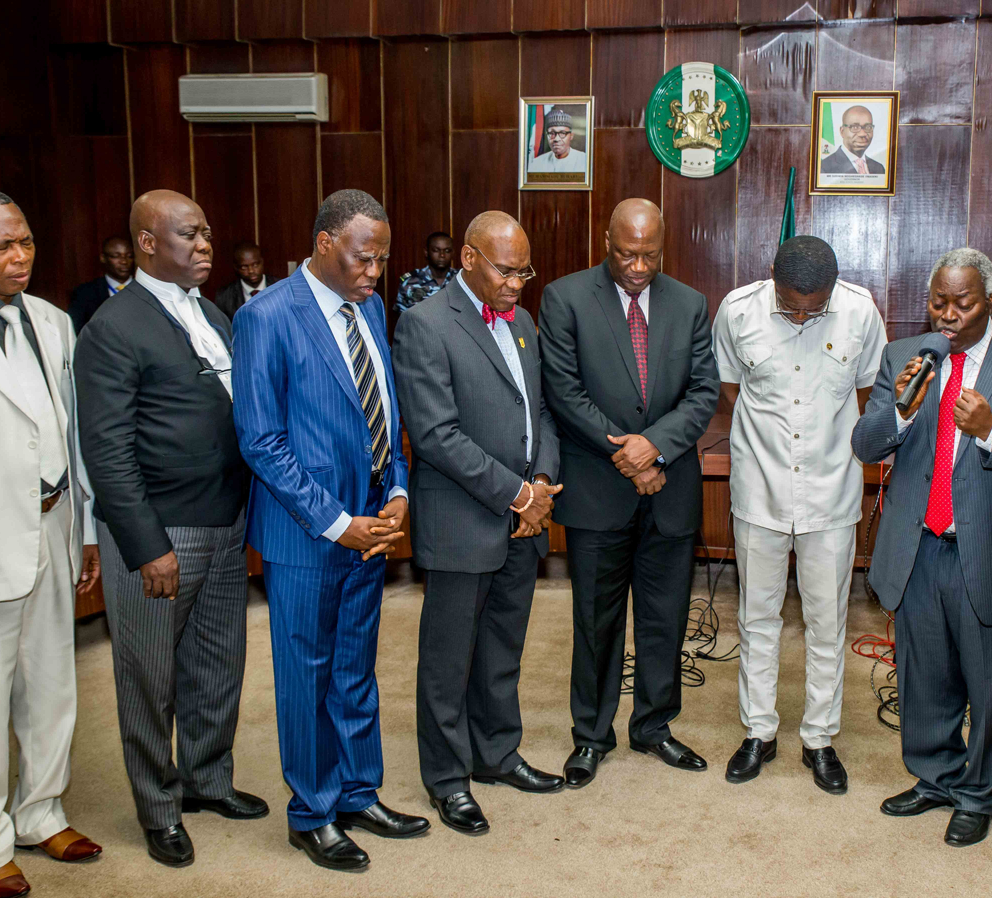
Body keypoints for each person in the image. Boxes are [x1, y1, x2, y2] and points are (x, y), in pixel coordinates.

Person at [851, 247, 992, 847]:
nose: (948, 315)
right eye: (938, 302)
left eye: (963, 303)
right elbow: (866, 446)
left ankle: (978, 792)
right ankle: (935, 777)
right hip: (919, 547)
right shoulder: (905, 356)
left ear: (991, 299)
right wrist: (901, 412)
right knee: (925, 676)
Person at [233, 189, 428, 870]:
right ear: (323, 243)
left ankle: (356, 790)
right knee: (306, 676)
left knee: (355, 669)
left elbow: (385, 411)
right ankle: (310, 811)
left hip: (372, 525)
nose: (375, 272)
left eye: (381, 259)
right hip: (307, 535)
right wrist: (337, 522)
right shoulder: (266, 317)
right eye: (363, 257)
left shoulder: (370, 307)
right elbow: (261, 441)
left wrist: (398, 491)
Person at [75, 190, 265, 869]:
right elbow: (107, 448)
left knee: (218, 664)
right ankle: (158, 808)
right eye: (190, 233)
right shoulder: (113, 325)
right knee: (149, 677)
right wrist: (145, 543)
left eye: (208, 230)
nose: (206, 243)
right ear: (148, 243)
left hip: (223, 522)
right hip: (162, 534)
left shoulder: (211, 313)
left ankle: (207, 782)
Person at [0, 187, 102, 898]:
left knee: (53, 685)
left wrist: (86, 529)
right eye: (2, 245)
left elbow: (70, 435)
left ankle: (41, 811)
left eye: (26, 241)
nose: (20, 257)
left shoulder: (52, 322)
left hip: (54, 525)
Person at [539, 198, 720, 788]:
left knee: (666, 619)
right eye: (626, 253)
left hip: (669, 488)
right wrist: (629, 455)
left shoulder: (690, 304)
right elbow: (564, 394)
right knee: (596, 620)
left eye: (649, 254)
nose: (638, 266)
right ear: (605, 241)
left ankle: (654, 726)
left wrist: (655, 448)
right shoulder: (565, 298)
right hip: (597, 490)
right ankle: (591, 735)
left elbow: (702, 391)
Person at [394, 211, 565, 836]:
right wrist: (518, 493)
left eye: (525, 270)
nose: (518, 282)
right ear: (467, 258)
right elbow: (436, 435)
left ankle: (496, 753)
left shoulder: (522, 323)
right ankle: (447, 779)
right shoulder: (424, 325)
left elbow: (540, 413)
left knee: (501, 650)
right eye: (506, 269)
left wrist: (541, 484)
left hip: (523, 518)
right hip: (463, 520)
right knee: (448, 661)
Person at [712, 236, 886, 792]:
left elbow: (868, 396)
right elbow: (731, 390)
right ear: (772, 279)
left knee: (827, 622)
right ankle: (759, 732)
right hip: (759, 489)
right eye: (792, 305)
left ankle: (820, 739)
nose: (804, 315)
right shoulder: (738, 310)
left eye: (816, 306)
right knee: (757, 617)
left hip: (831, 493)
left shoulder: (860, 311)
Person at [67, 235, 133, 332]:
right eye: (116, 256)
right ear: (103, 258)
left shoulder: (147, 289)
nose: (124, 261)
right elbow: (77, 330)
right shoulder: (84, 293)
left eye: (129, 256)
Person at [395, 231, 457, 315]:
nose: (442, 255)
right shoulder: (409, 281)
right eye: (436, 250)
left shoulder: (462, 280)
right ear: (426, 252)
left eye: (447, 250)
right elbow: (401, 320)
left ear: (452, 253)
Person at [214, 241, 274, 320]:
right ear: (236, 268)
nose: (251, 271)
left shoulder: (281, 288)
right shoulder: (224, 297)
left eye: (255, 265)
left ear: (262, 262)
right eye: (244, 267)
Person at [820, 106, 885, 176]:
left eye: (868, 127)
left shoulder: (879, 168)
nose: (862, 134)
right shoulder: (824, 168)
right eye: (855, 127)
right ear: (842, 131)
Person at [527, 108, 587, 174]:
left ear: (571, 136)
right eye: (552, 133)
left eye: (562, 133)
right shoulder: (537, 163)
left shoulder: (584, 161)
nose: (556, 139)